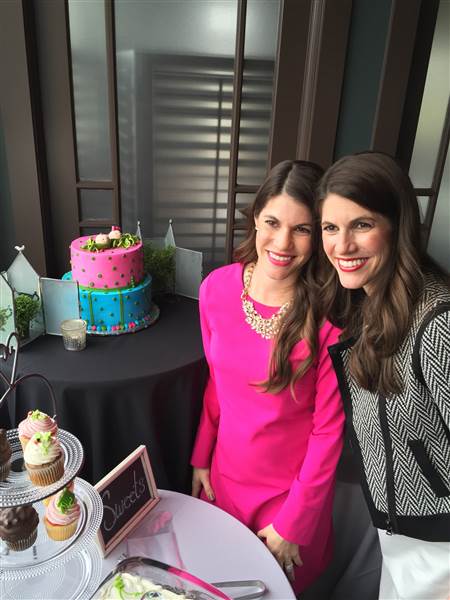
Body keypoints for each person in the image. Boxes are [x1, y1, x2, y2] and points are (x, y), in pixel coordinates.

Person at [191, 160, 345, 595]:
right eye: (273, 222)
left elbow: (329, 431)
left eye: (303, 230)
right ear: (255, 218)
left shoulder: (329, 319)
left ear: (318, 238)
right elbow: (217, 381)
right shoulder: (215, 289)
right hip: (222, 483)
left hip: (288, 501)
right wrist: (202, 456)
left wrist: (296, 521)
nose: (282, 242)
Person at [317, 151, 450, 600]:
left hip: (440, 549)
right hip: (399, 532)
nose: (342, 246)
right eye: (330, 228)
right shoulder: (368, 303)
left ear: (398, 225)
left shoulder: (438, 325)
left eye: (362, 225)